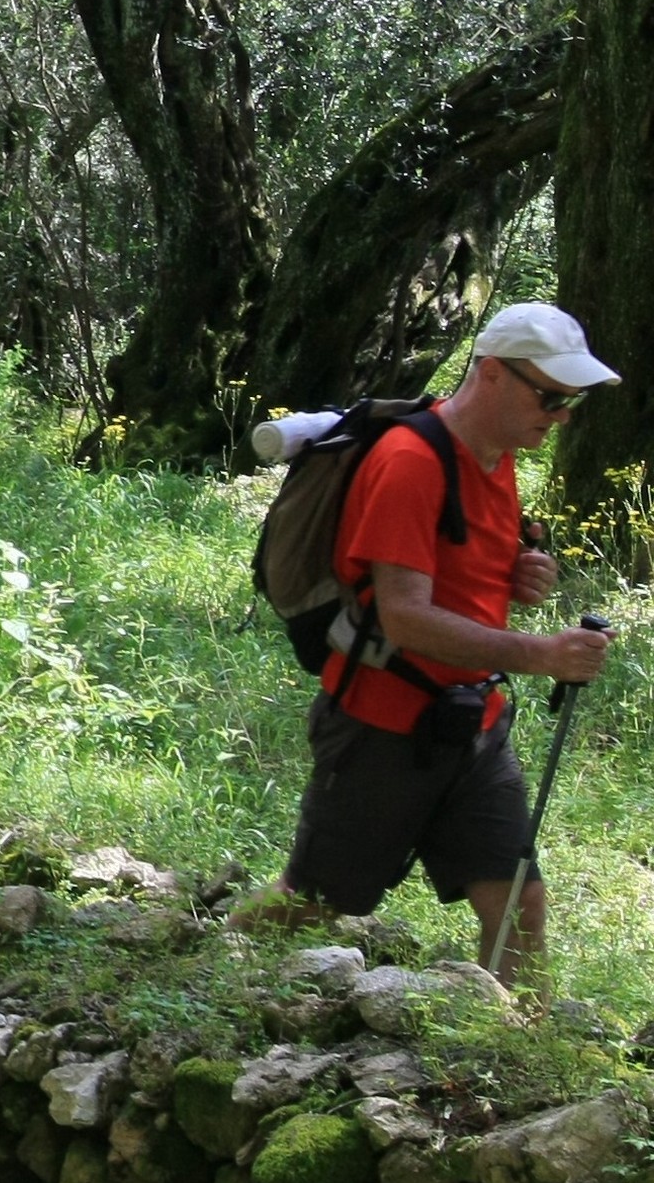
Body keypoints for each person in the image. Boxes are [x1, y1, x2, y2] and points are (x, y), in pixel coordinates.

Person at [236, 302, 619, 982]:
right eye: (552, 396)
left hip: (472, 723)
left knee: (520, 903)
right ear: (493, 375)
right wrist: (540, 654)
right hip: (381, 725)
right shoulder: (411, 460)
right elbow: (407, 618)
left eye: (573, 401)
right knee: (316, 904)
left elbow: (450, 564)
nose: (562, 417)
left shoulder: (497, 454)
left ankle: (516, 1059)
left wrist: (514, 571)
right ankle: (208, 962)